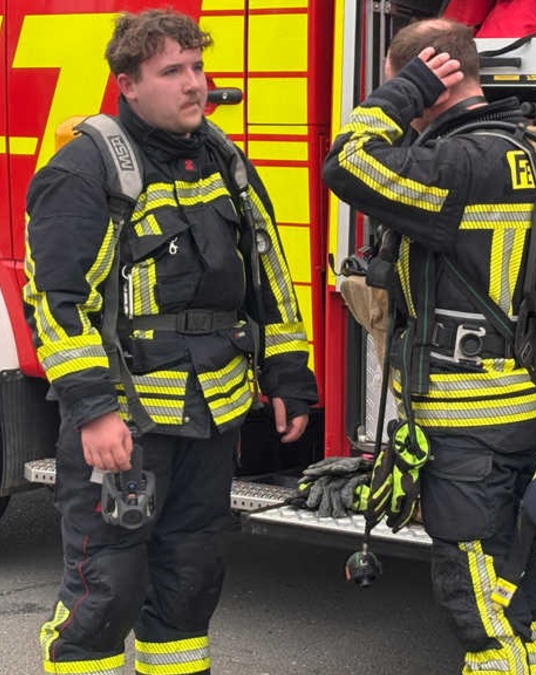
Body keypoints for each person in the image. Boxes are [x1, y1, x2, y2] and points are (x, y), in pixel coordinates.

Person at [22, 9, 317, 674]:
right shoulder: (86, 168)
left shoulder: (223, 158)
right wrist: (93, 409)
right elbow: (56, 298)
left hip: (210, 414)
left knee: (189, 584)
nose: (195, 85)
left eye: (197, 67)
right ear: (127, 84)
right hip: (129, 418)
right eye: (172, 72)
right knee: (108, 589)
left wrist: (288, 372)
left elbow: (267, 268)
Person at [323, 18, 536, 675]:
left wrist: (401, 93)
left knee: (474, 594)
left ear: (430, 78)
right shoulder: (527, 149)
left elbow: (346, 162)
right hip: (520, 407)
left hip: (467, 420)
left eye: (406, 83)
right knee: (515, 574)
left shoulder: (457, 164)